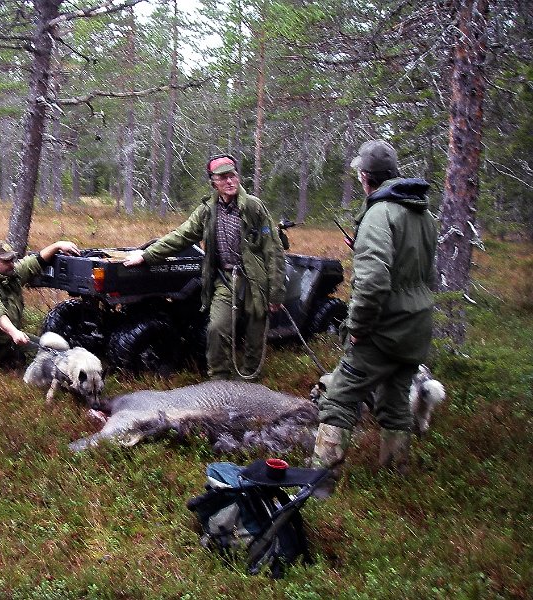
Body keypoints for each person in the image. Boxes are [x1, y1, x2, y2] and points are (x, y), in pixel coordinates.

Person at [311, 140, 437, 497]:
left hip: (383, 330)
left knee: (338, 397)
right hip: (416, 328)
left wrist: (359, 328)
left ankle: (319, 483)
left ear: (366, 177)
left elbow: (374, 280)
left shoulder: (380, 214)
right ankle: (396, 477)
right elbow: (427, 274)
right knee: (396, 402)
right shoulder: (424, 215)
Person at [123, 154, 286, 380]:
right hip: (226, 280)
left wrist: (276, 292)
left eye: (233, 176)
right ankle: (219, 380)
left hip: (255, 281)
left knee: (254, 335)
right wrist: (148, 256)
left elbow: (274, 250)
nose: (229, 182)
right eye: (223, 178)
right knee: (216, 329)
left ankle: (250, 380)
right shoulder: (207, 211)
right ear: (214, 182)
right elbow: (181, 236)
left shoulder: (253, 207)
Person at [0, 238, 80, 375]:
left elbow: (36, 261)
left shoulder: (12, 275)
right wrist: (14, 333)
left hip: (7, 342)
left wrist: (58, 245)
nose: (11, 264)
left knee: (48, 352)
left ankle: (9, 358)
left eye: (12, 259)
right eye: (6, 261)